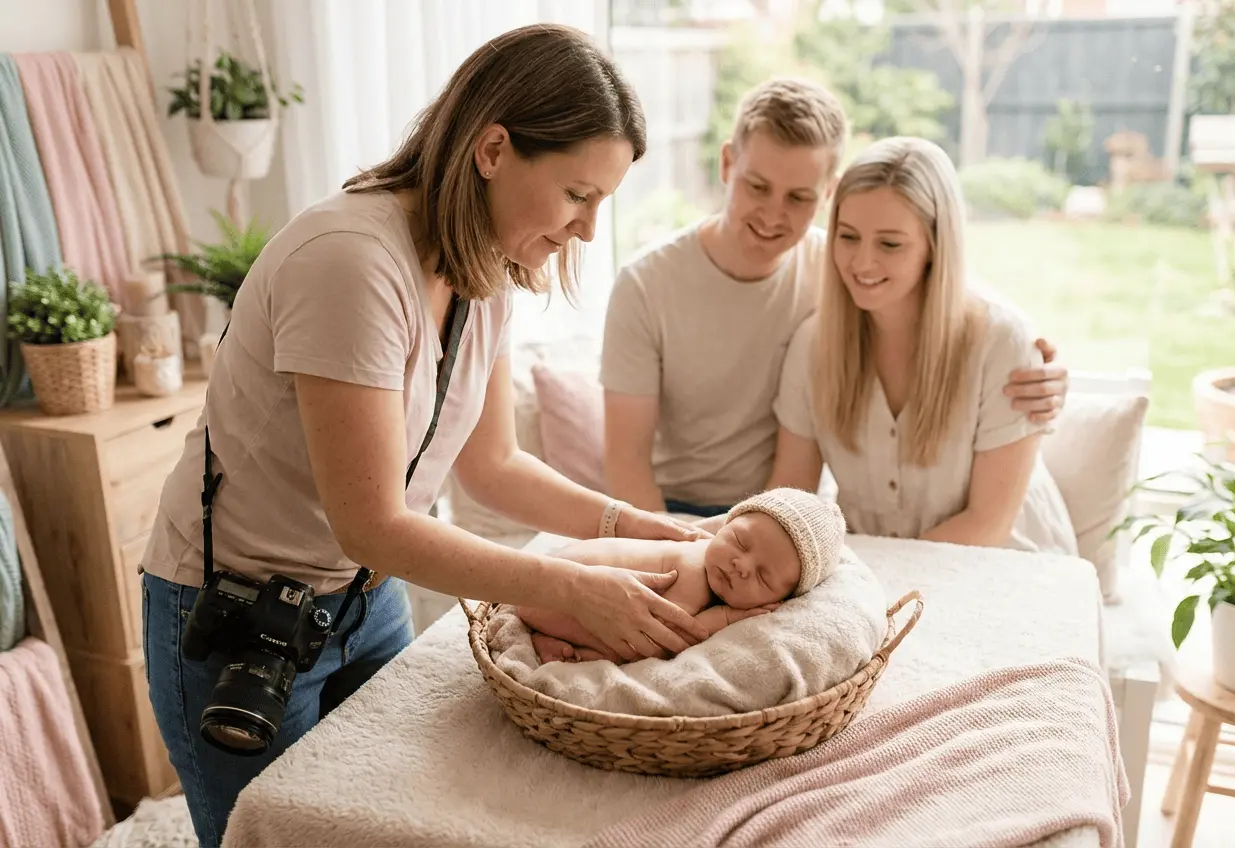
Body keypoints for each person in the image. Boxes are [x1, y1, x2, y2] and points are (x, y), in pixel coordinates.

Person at [137, 24, 712, 847]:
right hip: (238, 617)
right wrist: (568, 587)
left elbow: (494, 468)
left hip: (369, 599)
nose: (587, 229)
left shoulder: (487, 267)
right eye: (579, 194)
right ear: (492, 149)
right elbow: (370, 519)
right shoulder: (352, 263)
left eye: (603, 202)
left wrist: (635, 527)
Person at [601, 77, 1068, 519]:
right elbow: (626, 466)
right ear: (727, 164)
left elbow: (934, 277)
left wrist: (1036, 355)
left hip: (786, 510)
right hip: (669, 505)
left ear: (828, 192)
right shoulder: (646, 284)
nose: (772, 214)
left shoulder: (842, 267)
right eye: (757, 186)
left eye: (798, 198)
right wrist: (672, 550)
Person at [761, 136, 1077, 553]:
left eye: (890, 244)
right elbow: (791, 499)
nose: (862, 263)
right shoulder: (813, 345)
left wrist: (875, 587)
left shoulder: (1002, 345)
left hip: (1004, 566)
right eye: (848, 237)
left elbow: (987, 526)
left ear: (935, 244)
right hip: (871, 577)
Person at [520, 487, 846, 664]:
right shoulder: (692, 568)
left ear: (781, 599)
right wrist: (725, 618)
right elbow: (665, 637)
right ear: (726, 525)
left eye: (763, 577)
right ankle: (554, 638)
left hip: (542, 592)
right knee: (631, 650)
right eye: (739, 541)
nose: (741, 566)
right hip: (547, 594)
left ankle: (548, 639)